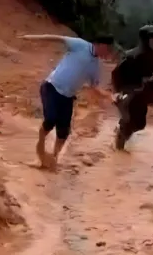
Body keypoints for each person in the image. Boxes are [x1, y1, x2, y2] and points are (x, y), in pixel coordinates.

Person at [21, 33, 115, 170]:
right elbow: (56, 38)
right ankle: (40, 151)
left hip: (68, 97)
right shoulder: (80, 45)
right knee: (51, 119)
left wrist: (109, 96)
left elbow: (95, 88)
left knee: (63, 132)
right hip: (51, 87)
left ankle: (53, 159)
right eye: (108, 49)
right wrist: (32, 38)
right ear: (101, 45)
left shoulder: (95, 66)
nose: (108, 53)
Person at [111, 25, 153, 150]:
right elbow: (116, 73)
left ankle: (121, 135)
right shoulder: (130, 55)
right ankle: (119, 146)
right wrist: (116, 92)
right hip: (128, 92)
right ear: (145, 39)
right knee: (128, 119)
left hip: (143, 94)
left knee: (140, 124)